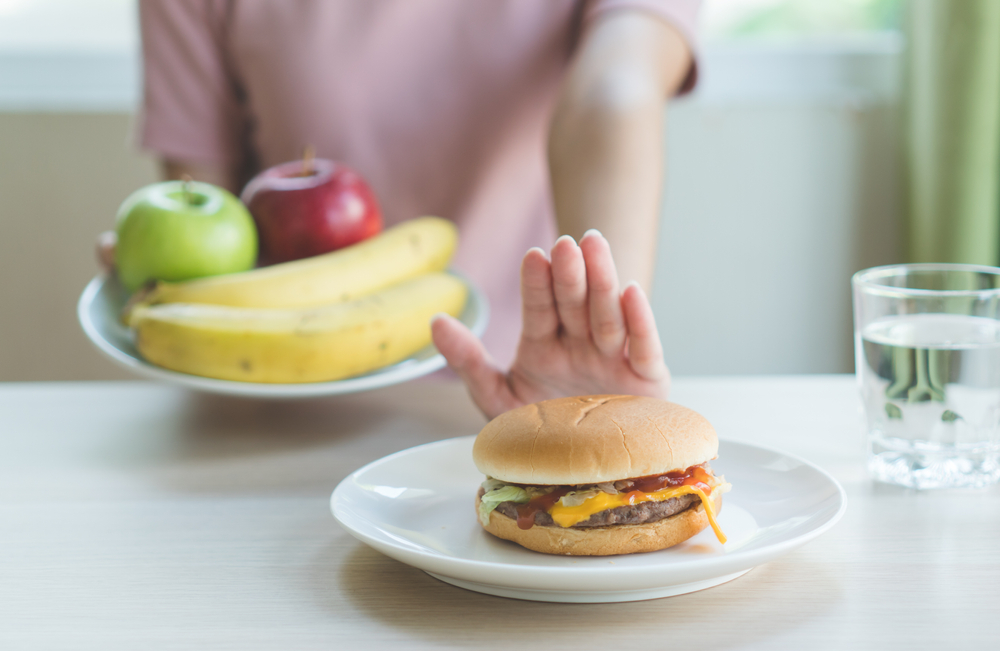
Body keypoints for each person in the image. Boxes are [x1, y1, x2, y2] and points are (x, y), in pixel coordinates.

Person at [112, 0, 699, 419]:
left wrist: (601, 340)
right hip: (276, 399)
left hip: (521, 389)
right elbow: (203, 200)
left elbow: (615, 91)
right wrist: (169, 283)